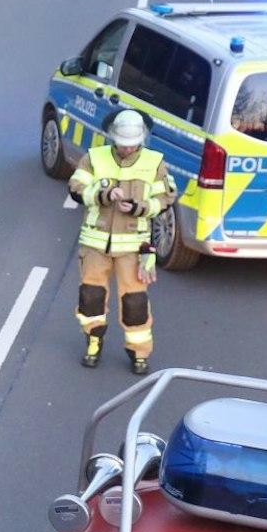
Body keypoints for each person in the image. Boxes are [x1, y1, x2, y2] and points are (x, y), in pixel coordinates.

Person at [68, 108, 175, 373]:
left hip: (134, 247)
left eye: (132, 145)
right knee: (91, 297)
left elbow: (166, 199)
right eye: (123, 144)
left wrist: (140, 207)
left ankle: (139, 353)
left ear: (142, 140)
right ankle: (93, 340)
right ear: (113, 137)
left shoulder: (154, 162)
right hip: (95, 243)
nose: (127, 149)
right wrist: (103, 193)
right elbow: (76, 188)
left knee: (135, 302)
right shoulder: (94, 158)